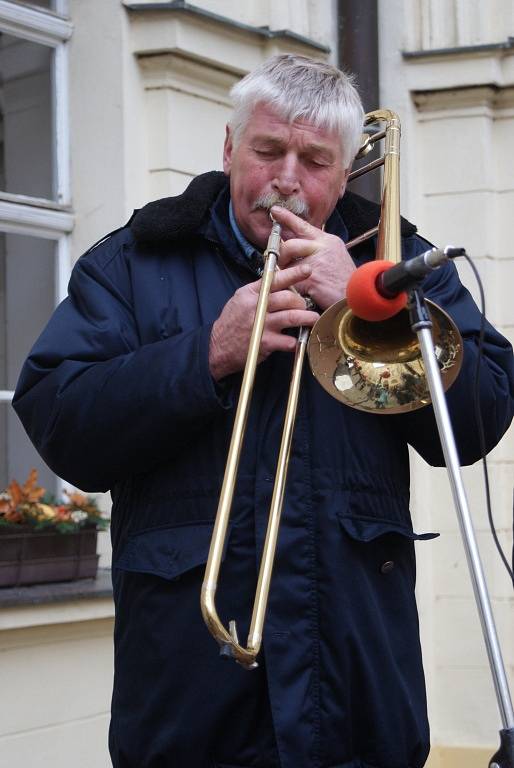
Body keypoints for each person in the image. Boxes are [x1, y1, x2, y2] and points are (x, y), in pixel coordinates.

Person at [13, 55, 514, 768]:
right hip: (189, 705)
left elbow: (481, 417)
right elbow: (59, 417)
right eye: (267, 150)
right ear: (228, 148)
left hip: (358, 700)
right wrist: (207, 353)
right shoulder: (133, 261)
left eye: (314, 160)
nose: (287, 179)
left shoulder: (404, 266)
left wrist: (374, 306)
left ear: (346, 174)